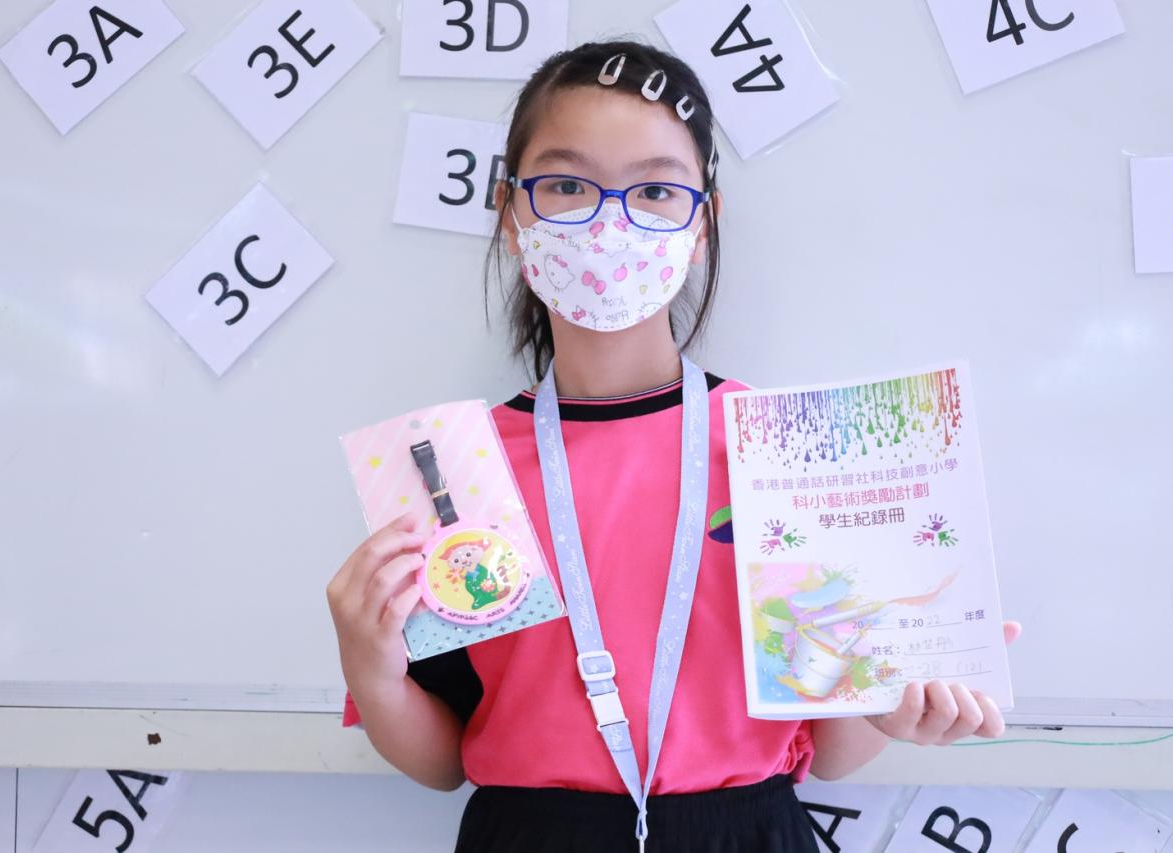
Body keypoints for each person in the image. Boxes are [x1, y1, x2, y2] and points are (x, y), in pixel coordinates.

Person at [327, 39, 1021, 853]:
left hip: (745, 832)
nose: (609, 221)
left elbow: (832, 750)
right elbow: (444, 761)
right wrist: (369, 668)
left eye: (655, 189)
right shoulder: (452, 466)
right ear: (511, 213)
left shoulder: (791, 451)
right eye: (565, 184)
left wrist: (894, 703)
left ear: (701, 224)